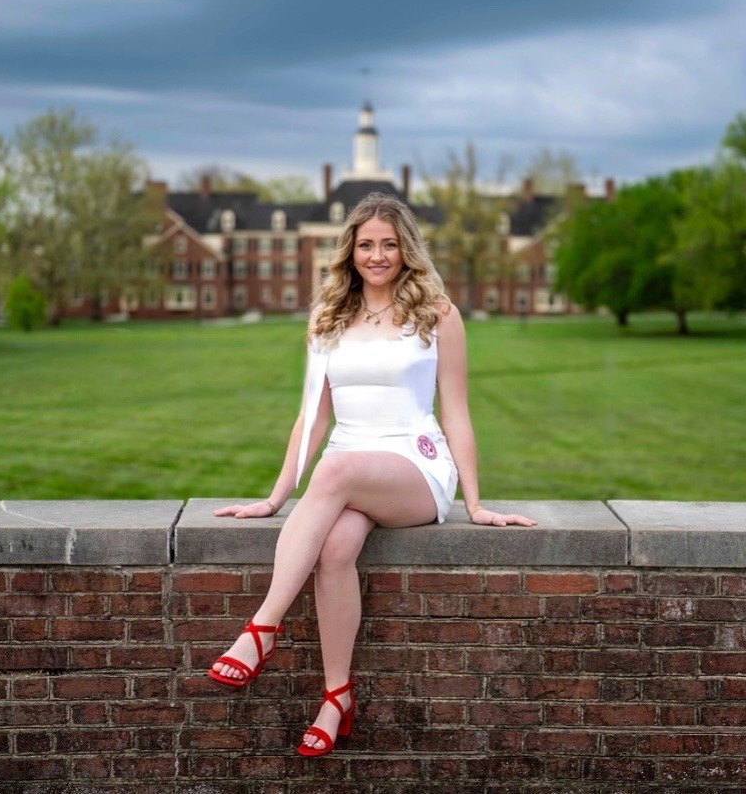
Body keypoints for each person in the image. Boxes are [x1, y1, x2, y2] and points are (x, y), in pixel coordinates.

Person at [209, 192, 536, 757]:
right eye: (366, 244)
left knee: (335, 470)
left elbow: (456, 410)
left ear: (406, 248)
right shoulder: (328, 316)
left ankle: (261, 629)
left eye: (389, 244)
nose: (377, 255)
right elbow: (312, 417)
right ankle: (337, 698)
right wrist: (272, 498)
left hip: (415, 464)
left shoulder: (437, 314)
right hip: (350, 469)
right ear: (350, 251)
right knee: (335, 549)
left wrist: (477, 504)